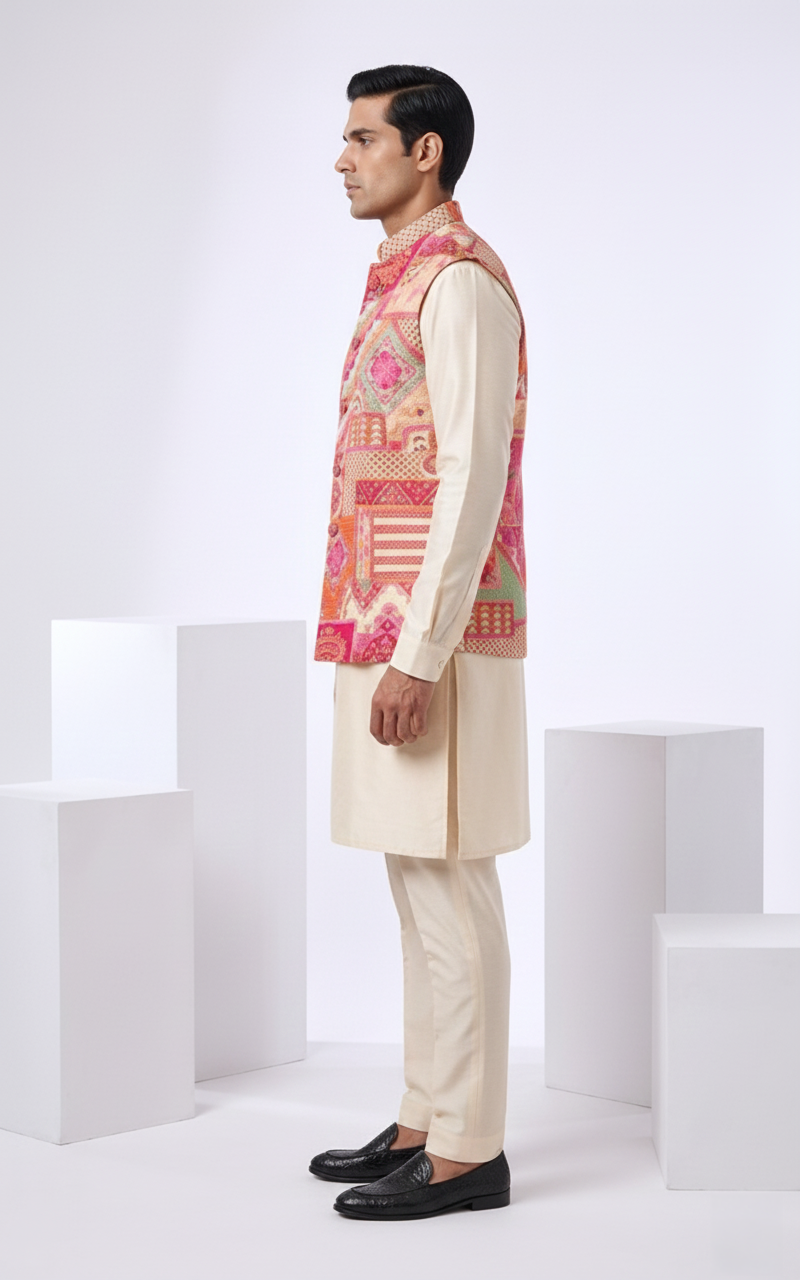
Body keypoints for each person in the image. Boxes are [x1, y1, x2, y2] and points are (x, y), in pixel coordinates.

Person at [310, 64, 529, 1221]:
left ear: (424, 150)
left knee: (449, 882)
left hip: (428, 639)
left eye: (362, 138)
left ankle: (469, 1148)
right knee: (412, 882)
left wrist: (418, 653)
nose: (342, 159)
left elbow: (470, 476)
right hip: (381, 624)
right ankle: (421, 1115)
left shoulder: (458, 284)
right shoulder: (399, 278)